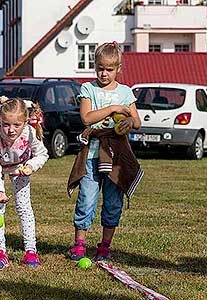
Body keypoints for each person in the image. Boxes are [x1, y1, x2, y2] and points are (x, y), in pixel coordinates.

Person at [67, 42, 143, 262]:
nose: (104, 73)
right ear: (95, 66)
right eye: (100, 68)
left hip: (116, 156)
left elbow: (137, 121)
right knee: (86, 199)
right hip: (92, 156)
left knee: (112, 201)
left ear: (118, 68)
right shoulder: (88, 89)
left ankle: (105, 246)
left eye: (109, 69)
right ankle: (79, 245)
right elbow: (87, 118)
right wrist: (113, 109)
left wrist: (129, 120)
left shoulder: (125, 92)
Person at [0, 96, 48, 269]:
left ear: (25, 122)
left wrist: (31, 166)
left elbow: (42, 154)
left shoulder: (30, 132)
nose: (10, 130)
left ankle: (31, 251)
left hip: (21, 168)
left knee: (24, 208)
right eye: (6, 124)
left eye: (16, 125)